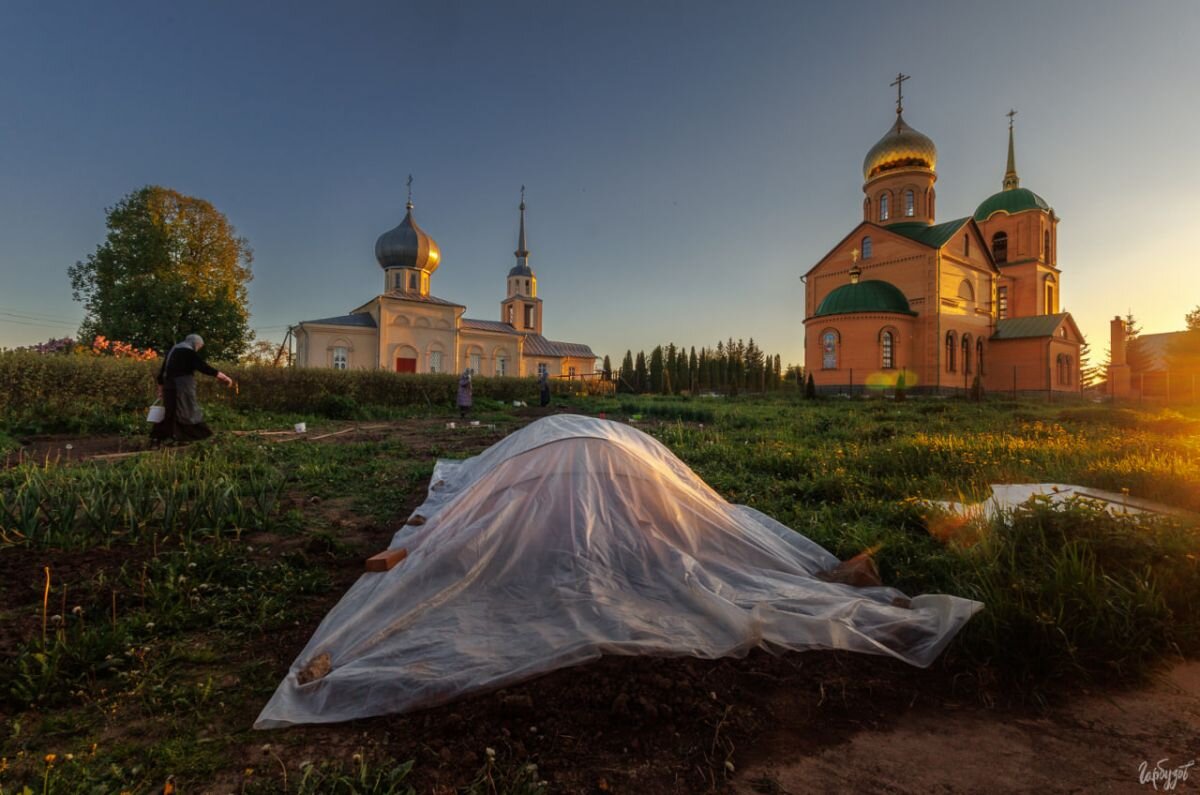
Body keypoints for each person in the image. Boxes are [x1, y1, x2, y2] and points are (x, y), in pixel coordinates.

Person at [150, 334, 234, 445]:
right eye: (199, 346)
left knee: (170, 412)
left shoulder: (172, 351)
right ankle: (194, 438)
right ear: (195, 343)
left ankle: (157, 439)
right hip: (183, 386)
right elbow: (204, 367)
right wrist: (225, 377)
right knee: (188, 411)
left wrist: (161, 389)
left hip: (169, 386)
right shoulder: (188, 352)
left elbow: (162, 372)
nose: (198, 349)